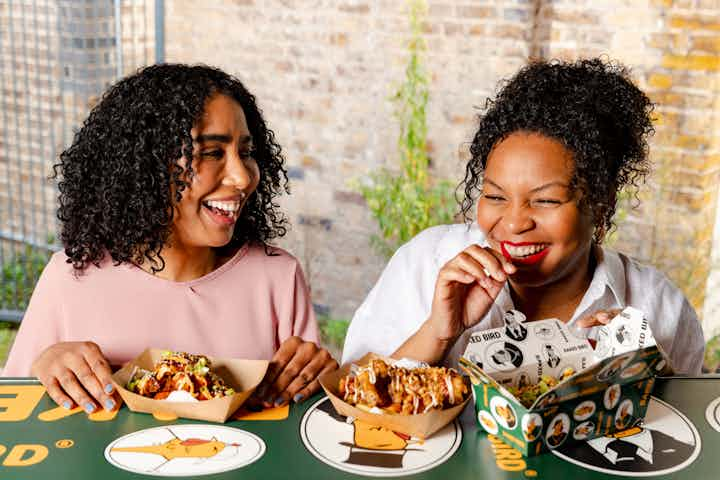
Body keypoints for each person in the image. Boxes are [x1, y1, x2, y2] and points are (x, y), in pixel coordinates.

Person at [3, 64, 338, 413]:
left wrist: (315, 377)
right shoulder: (70, 279)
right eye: (211, 153)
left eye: (247, 152)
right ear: (145, 165)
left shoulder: (277, 277)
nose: (241, 177)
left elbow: (303, 428)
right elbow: (14, 424)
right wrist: (43, 366)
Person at [342, 58, 705, 375]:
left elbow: (686, 441)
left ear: (601, 202)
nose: (514, 224)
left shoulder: (660, 307)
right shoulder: (424, 264)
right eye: (496, 196)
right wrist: (438, 332)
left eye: (545, 201)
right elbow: (343, 399)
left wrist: (649, 382)